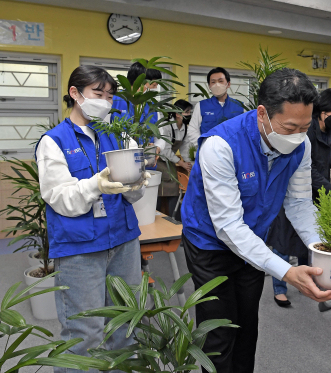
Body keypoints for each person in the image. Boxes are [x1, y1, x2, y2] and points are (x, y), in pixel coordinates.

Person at [181, 68, 331, 373]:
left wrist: (321, 252)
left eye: (305, 126)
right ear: (263, 114)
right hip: (210, 245)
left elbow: (298, 204)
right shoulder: (220, 146)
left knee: (247, 327)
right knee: (218, 332)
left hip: (254, 242)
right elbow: (229, 227)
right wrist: (286, 272)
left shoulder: (301, 145)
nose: (298, 136)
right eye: (289, 127)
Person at [35, 65, 151, 373]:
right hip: (80, 247)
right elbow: (60, 197)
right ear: (75, 93)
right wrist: (94, 185)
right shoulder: (54, 141)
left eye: (110, 96)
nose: (105, 101)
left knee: (127, 322)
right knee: (83, 332)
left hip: (123, 240)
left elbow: (132, 194)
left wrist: (138, 185)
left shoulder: (117, 133)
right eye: (97, 94)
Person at [267, 88, 331, 307]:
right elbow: (307, 169)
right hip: (294, 192)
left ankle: (308, 281)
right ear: (322, 109)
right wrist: (330, 190)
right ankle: (279, 288)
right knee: (283, 242)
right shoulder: (305, 131)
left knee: (310, 242)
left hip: (319, 196)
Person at [110, 62, 162, 169]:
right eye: (150, 83)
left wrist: (157, 147)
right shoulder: (116, 99)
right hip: (122, 161)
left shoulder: (151, 104)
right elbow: (105, 129)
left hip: (147, 162)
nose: (152, 88)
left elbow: (159, 133)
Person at [154, 99, 194, 216]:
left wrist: (188, 163)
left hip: (170, 161)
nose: (188, 115)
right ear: (177, 113)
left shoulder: (185, 128)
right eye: (186, 112)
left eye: (189, 112)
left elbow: (185, 148)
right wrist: (180, 163)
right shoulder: (166, 126)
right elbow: (165, 150)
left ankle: (172, 218)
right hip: (160, 161)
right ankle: (159, 216)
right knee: (160, 191)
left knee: (174, 190)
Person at [188, 67, 244, 144]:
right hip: (208, 152)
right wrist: (203, 146)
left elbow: (246, 130)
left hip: (234, 152)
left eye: (221, 81)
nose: (217, 85)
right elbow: (192, 130)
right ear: (209, 86)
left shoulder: (241, 106)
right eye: (213, 82)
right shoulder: (201, 106)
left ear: (228, 84)